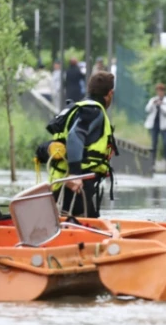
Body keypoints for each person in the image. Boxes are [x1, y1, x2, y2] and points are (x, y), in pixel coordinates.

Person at [44, 71, 119, 218]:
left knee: (90, 221)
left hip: (63, 184)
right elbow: (74, 136)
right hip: (76, 186)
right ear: (110, 93)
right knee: (84, 227)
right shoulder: (93, 111)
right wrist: (75, 174)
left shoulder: (77, 108)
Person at [144, 83, 166, 173]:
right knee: (154, 144)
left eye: (161, 91)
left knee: (165, 143)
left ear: (164, 92)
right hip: (154, 125)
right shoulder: (153, 99)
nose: (159, 93)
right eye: (158, 91)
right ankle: (152, 163)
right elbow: (147, 110)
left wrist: (161, 105)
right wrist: (153, 104)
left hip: (164, 126)